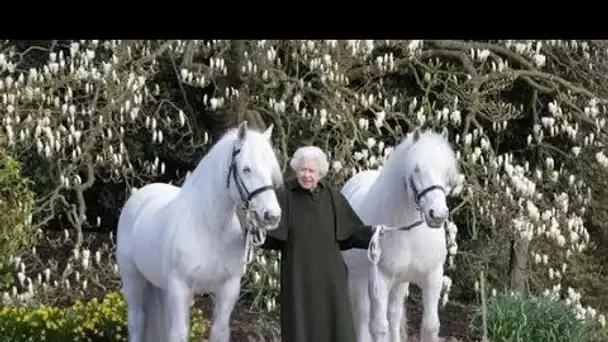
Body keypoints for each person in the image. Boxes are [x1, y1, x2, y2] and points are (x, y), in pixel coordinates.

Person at [260, 145, 386, 342]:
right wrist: (257, 234)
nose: (307, 175)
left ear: (319, 173)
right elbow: (272, 236)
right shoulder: (284, 194)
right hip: (298, 278)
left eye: (311, 171)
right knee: (300, 327)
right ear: (296, 169)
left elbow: (350, 233)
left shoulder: (331, 195)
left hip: (331, 279)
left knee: (337, 327)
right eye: (303, 170)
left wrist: (373, 233)